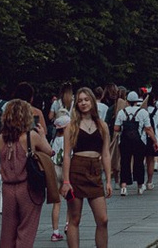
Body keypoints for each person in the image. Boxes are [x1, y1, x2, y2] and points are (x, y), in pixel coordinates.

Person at [0, 100, 59, 248]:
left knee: (7, 231)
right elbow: (50, 151)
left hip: (8, 189)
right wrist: (42, 135)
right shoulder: (30, 136)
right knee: (26, 230)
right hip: (28, 188)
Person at [60, 89, 111, 248]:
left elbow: (106, 153)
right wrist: (66, 181)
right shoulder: (71, 126)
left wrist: (109, 180)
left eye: (86, 100)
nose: (83, 103)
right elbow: (67, 155)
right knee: (74, 218)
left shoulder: (102, 125)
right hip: (76, 170)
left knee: (103, 219)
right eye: (80, 100)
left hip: (95, 171)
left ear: (92, 102)